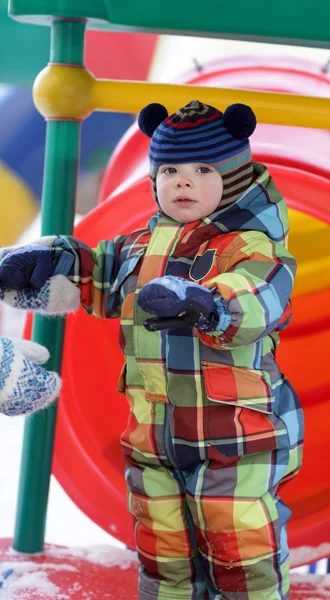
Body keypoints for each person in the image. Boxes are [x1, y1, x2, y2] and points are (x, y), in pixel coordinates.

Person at [0, 100, 304, 599]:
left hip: (237, 439)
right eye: (170, 170)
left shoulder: (253, 248)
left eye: (203, 169)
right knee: (163, 553)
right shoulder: (140, 247)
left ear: (234, 177)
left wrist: (208, 304)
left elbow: (258, 299)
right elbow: (96, 274)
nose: (182, 181)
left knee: (239, 545)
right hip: (153, 437)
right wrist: (46, 266)